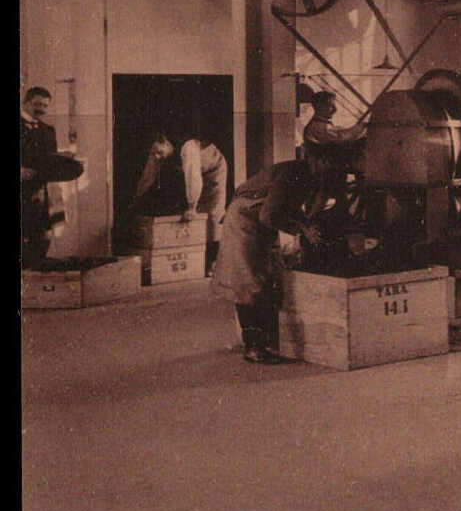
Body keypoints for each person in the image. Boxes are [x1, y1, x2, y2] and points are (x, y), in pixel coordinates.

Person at [211, 150, 338, 363]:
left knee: (269, 275)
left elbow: (288, 207)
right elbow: (269, 215)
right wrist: (302, 229)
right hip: (244, 220)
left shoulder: (313, 177)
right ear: (316, 159)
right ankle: (254, 347)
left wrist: (306, 225)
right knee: (248, 283)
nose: (331, 169)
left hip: (259, 219)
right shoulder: (293, 173)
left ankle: (267, 340)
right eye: (328, 162)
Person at [130, 127, 229, 271]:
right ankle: (196, 257)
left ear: (166, 143)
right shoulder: (158, 151)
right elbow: (149, 175)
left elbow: (193, 178)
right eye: (153, 153)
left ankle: (214, 262)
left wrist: (191, 207)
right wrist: (136, 199)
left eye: (159, 152)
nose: (157, 156)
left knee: (212, 214)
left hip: (214, 169)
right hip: (196, 172)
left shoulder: (188, 148)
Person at [19, 86, 82, 268]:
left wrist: (66, 162)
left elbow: (49, 161)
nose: (41, 109)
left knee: (43, 234)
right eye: (37, 104)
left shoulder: (48, 130)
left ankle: (35, 277)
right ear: (25, 103)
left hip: (42, 192)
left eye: (45, 106)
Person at [302, 91, 368, 147]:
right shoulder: (317, 126)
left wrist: (360, 127)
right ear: (319, 107)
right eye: (330, 105)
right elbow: (341, 138)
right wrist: (361, 127)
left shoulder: (322, 124)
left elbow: (340, 132)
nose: (335, 109)